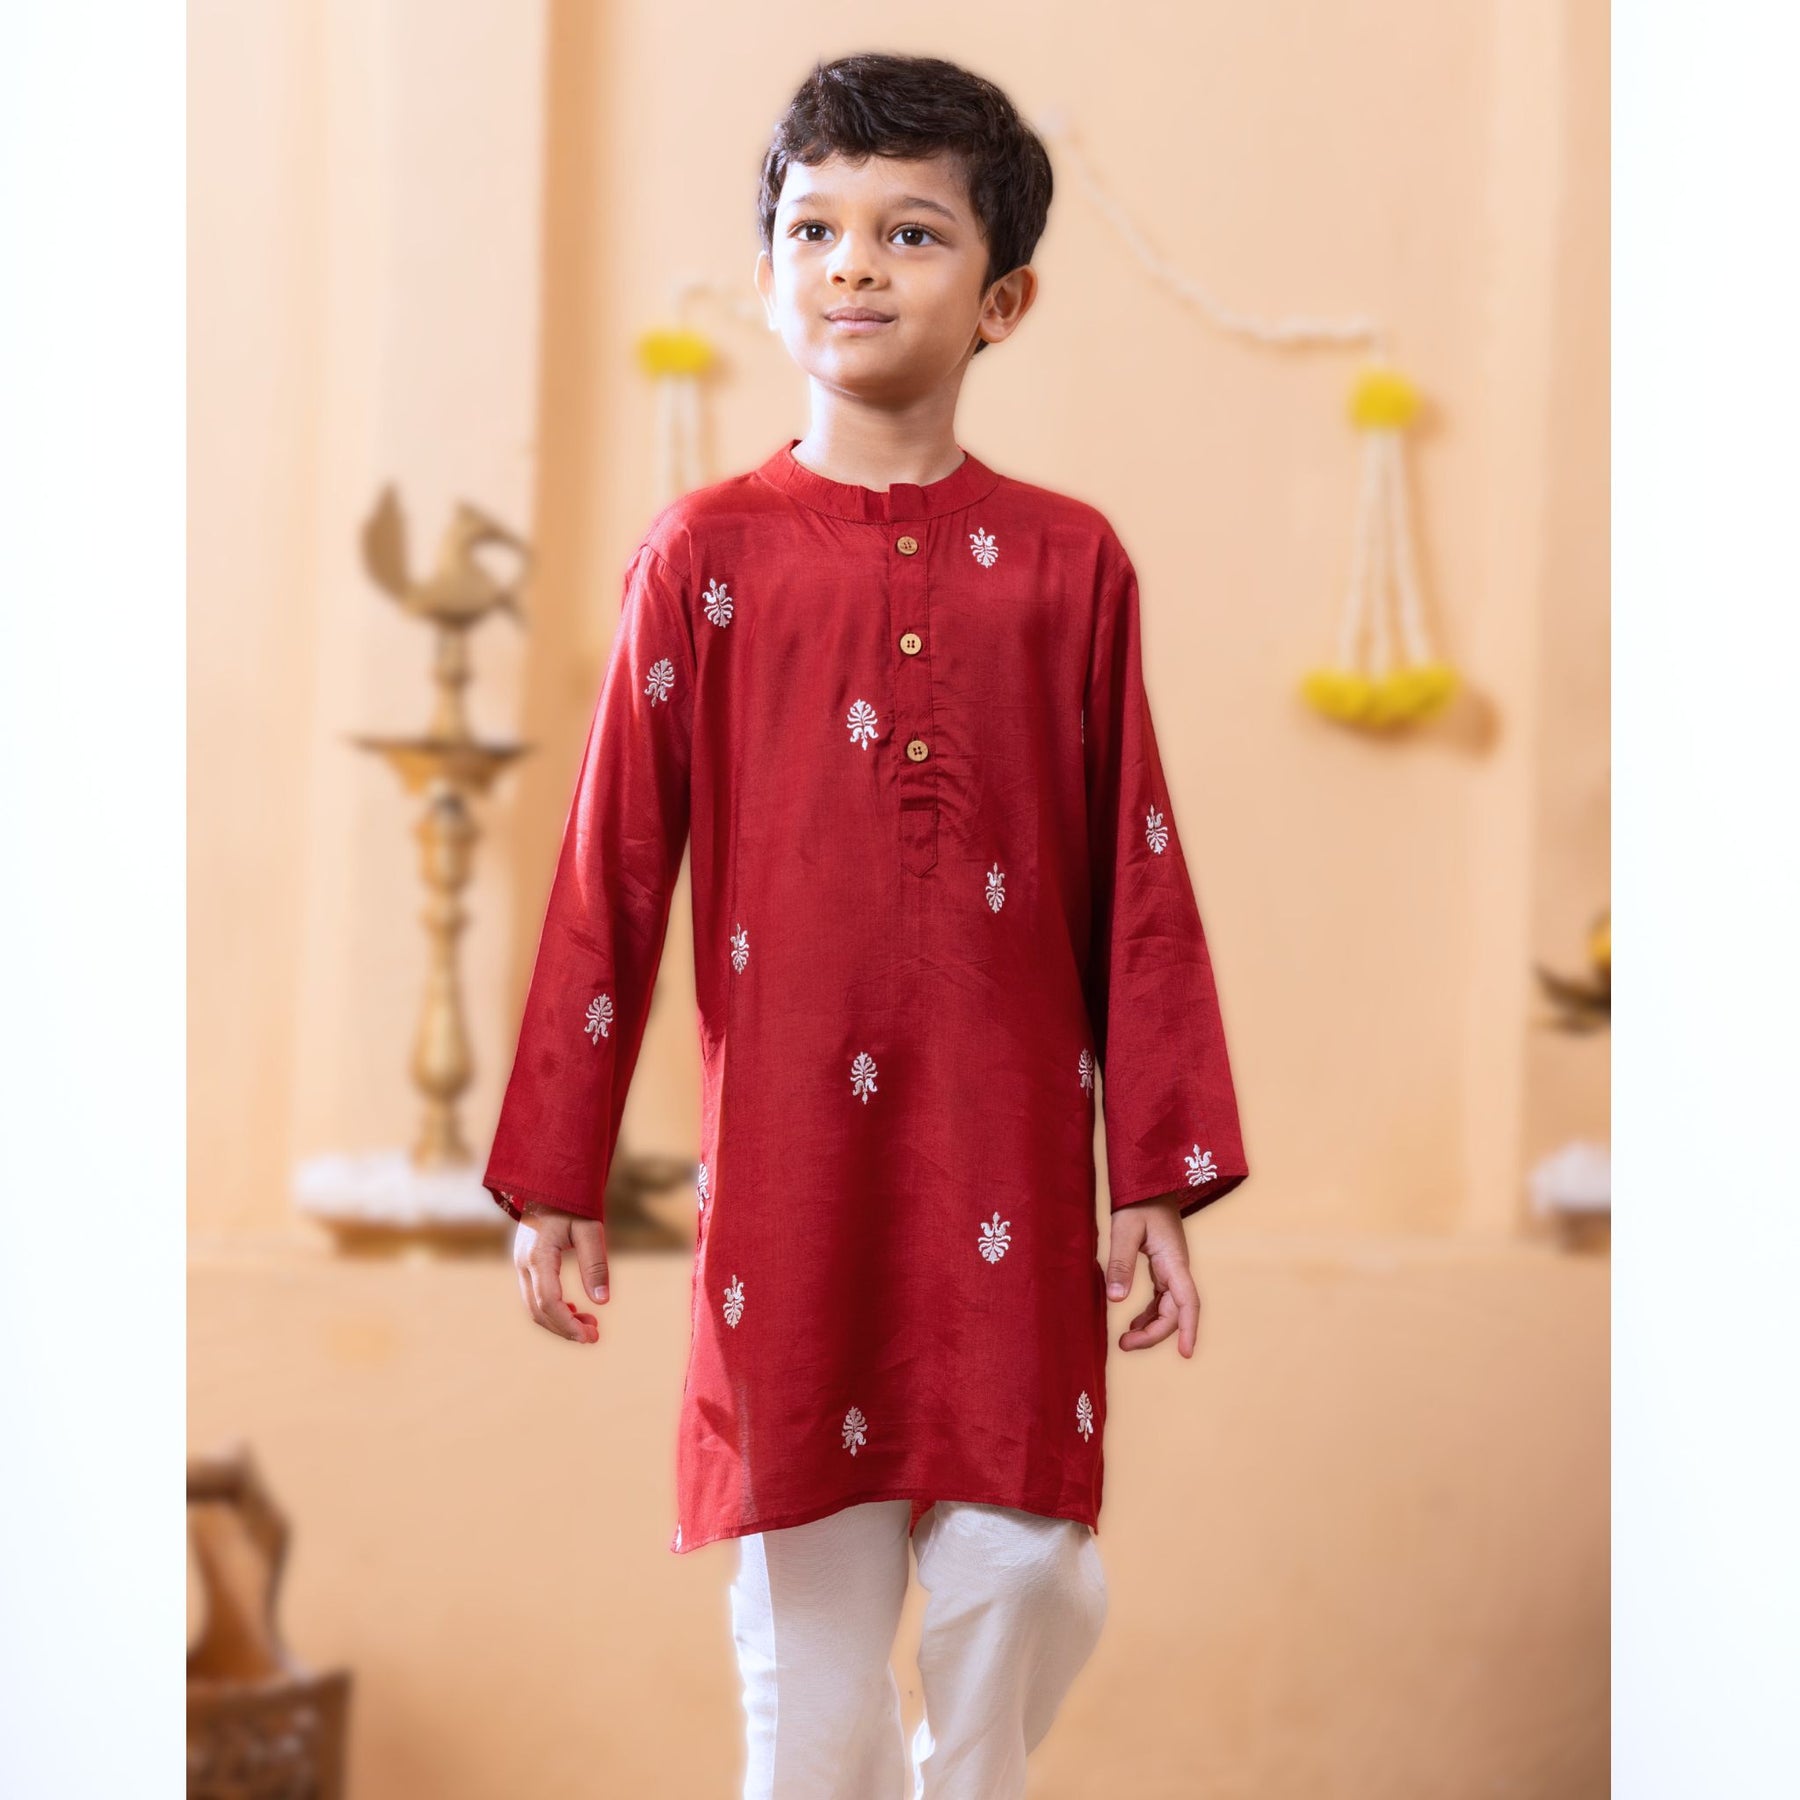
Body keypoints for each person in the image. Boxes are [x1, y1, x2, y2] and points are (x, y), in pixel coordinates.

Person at [484, 50, 1250, 1800]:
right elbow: (611, 870)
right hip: (793, 1188)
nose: (853, 265)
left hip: (1006, 1173)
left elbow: (1138, 878)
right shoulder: (705, 557)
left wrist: (1154, 1174)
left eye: (910, 233)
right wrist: (556, 1168)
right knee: (809, 1680)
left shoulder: (1068, 565)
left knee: (1028, 1571)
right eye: (813, 229)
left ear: (1004, 300)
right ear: (768, 277)